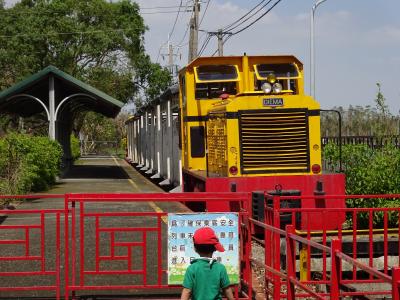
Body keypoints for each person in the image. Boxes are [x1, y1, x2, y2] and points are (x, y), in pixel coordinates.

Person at [180, 227, 235, 300]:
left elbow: (187, 291)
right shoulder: (220, 268)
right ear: (215, 248)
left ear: (195, 249)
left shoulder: (192, 268)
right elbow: (227, 289)